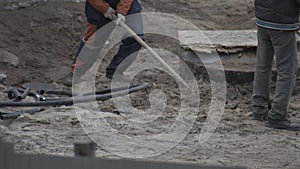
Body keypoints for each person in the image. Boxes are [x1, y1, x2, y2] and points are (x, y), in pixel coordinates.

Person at [63, 0, 144, 86]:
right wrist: (105, 9)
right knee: (93, 42)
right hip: (97, 6)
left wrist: (122, 11)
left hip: (127, 3)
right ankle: (76, 73)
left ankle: (116, 71)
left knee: (136, 37)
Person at [252, 0, 300, 131]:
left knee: (263, 65)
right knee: (287, 70)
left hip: (262, 18)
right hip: (282, 23)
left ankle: (258, 108)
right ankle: (277, 115)